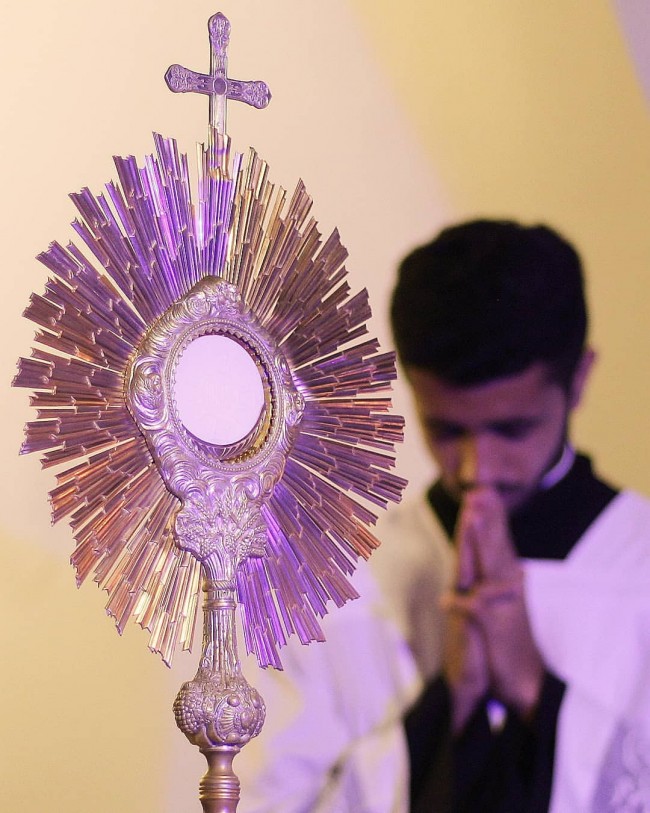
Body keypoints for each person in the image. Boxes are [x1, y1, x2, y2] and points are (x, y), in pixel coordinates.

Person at [236, 219, 650, 812]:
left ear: (579, 379)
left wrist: (534, 689)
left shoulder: (639, 568)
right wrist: (449, 702)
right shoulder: (340, 587)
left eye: (512, 429)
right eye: (448, 430)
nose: (478, 468)